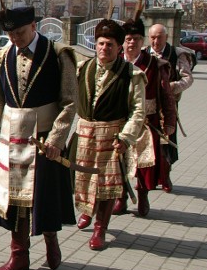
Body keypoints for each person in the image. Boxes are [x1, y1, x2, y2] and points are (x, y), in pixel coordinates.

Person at [0, 5, 78, 270]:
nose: (15, 39)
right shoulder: (2, 56)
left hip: (45, 140)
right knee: (14, 200)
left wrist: (58, 138)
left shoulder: (59, 55)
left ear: (34, 26)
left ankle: (51, 242)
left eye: (20, 33)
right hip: (11, 139)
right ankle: (19, 254)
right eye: (11, 34)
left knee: (44, 197)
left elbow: (70, 102)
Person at [73, 19, 146, 251]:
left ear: (120, 46)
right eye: (101, 43)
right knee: (82, 180)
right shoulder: (82, 68)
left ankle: (100, 228)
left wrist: (126, 138)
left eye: (110, 45)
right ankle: (86, 209)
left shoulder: (132, 74)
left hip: (112, 137)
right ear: (95, 44)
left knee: (106, 185)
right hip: (84, 134)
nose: (105, 48)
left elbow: (138, 111)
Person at [117, 15, 176, 217]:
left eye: (135, 38)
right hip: (120, 122)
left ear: (142, 41)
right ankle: (121, 198)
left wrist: (169, 121)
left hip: (146, 122)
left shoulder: (155, 65)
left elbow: (167, 96)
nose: (131, 42)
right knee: (120, 162)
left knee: (144, 164)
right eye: (127, 38)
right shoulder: (115, 63)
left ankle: (142, 198)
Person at [146, 23, 194, 191]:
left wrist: (171, 87)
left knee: (166, 141)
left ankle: (165, 177)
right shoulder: (145, 54)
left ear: (166, 37)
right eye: (152, 37)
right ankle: (150, 177)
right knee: (149, 143)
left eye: (159, 37)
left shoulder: (176, 55)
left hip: (168, 106)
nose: (155, 41)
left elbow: (188, 79)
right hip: (148, 106)